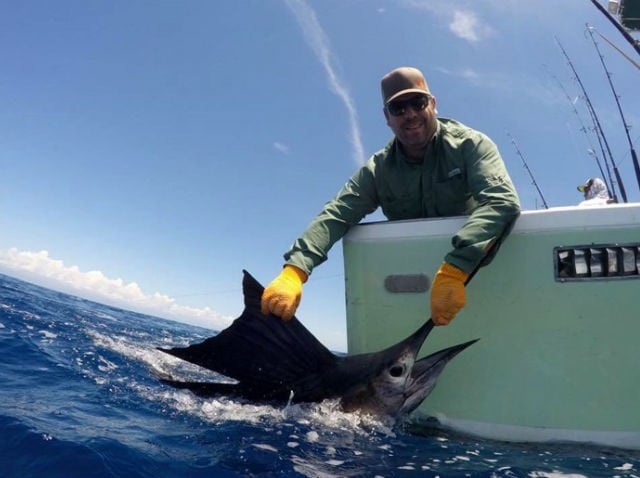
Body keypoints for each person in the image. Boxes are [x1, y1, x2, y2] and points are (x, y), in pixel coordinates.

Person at [261, 66, 521, 326]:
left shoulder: (470, 145)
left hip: (472, 281)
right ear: (387, 117)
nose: (410, 114)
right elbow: (337, 213)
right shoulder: (378, 169)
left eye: (418, 103)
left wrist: (456, 269)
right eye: (398, 108)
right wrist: (294, 270)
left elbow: (501, 201)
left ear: (433, 103)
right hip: (407, 290)